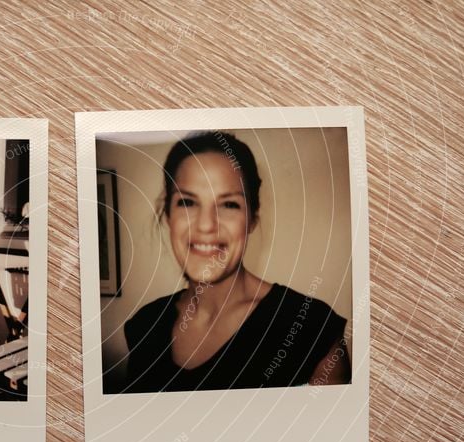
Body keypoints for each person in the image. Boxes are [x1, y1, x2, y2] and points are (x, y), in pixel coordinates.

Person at [120, 132, 350, 393]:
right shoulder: (145, 325)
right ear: (169, 216)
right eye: (187, 202)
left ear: (252, 218)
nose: (207, 225)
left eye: (229, 204)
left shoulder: (309, 328)